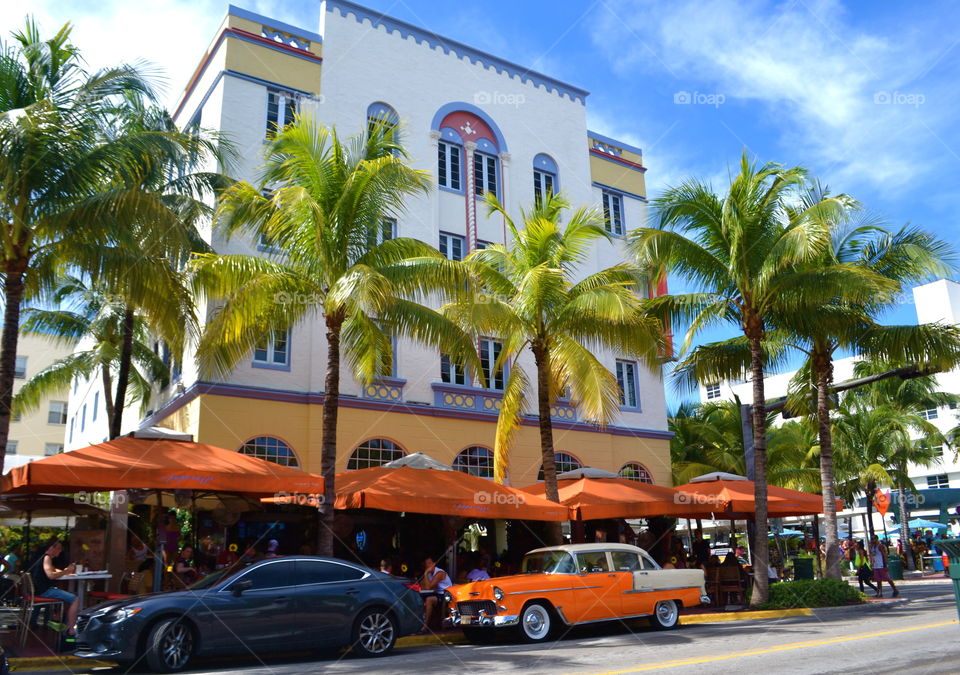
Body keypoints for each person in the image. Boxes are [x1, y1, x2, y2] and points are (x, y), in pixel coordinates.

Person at [28, 539, 80, 639]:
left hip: (37, 590)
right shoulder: (47, 558)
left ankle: (63, 621)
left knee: (67, 597)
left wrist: (65, 571)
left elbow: (53, 570)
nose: (60, 551)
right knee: (75, 598)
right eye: (58, 548)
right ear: (51, 548)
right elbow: (51, 575)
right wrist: (66, 572)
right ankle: (71, 630)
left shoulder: (42, 558)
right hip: (44, 591)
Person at [419, 557, 452, 632]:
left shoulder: (439, 573)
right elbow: (421, 585)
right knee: (419, 598)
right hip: (438, 594)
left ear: (434, 564)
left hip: (446, 595)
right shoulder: (429, 573)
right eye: (426, 564)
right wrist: (426, 575)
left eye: (429, 563)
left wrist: (425, 573)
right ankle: (420, 623)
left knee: (429, 599)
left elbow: (428, 587)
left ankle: (425, 626)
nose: (427, 566)